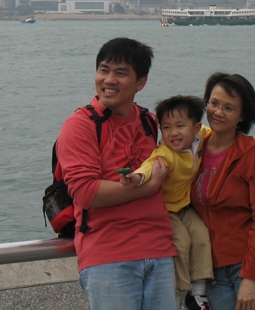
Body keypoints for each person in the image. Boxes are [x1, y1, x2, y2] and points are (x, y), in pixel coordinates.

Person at [57, 37, 177, 310]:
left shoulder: (150, 121)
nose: (109, 80)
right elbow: (86, 193)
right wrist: (147, 187)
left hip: (160, 250)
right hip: (108, 256)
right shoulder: (80, 126)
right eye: (103, 70)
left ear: (141, 83)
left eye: (121, 73)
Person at [191, 73, 255, 310]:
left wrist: (250, 278)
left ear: (242, 116)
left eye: (228, 108)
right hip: (212, 271)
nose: (218, 112)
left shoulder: (253, 155)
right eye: (214, 103)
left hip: (249, 265)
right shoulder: (194, 148)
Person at [121, 95, 214, 310]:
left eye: (180, 126)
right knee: (181, 244)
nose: (173, 133)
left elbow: (218, 134)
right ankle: (180, 296)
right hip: (166, 210)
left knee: (201, 237)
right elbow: (147, 166)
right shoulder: (165, 153)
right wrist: (134, 178)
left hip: (185, 206)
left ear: (196, 127)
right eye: (166, 127)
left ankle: (199, 294)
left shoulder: (202, 136)